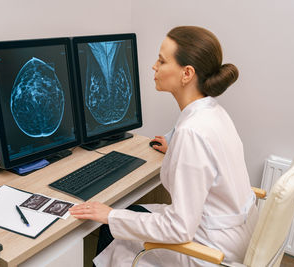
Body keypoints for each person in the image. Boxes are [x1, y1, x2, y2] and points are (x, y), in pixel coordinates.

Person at [69, 26, 258, 267]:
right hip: (234, 232)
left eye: (162, 60)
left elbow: (178, 229)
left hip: (211, 249)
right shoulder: (212, 112)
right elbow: (210, 160)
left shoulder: (192, 132)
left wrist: (110, 215)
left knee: (111, 227)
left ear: (186, 73)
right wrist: (178, 150)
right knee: (132, 211)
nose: (154, 66)